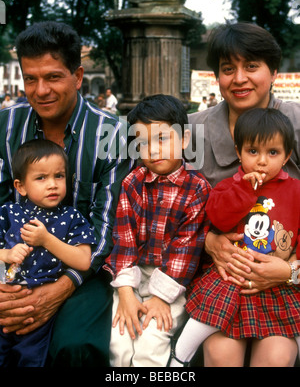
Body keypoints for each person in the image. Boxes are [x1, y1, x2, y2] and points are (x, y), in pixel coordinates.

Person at [0, 21, 132, 367]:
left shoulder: (112, 135)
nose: (40, 90)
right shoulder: (6, 126)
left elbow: (105, 234)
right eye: (31, 78)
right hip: (12, 263)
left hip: (84, 271)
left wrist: (60, 288)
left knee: (75, 347)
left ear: (78, 76)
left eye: (53, 77)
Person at [186, 21, 300, 366]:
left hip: (285, 279)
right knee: (220, 356)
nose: (239, 79)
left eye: (251, 66)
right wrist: (208, 241)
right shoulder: (190, 131)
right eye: (227, 69)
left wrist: (291, 271)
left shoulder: (296, 122)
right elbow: (162, 207)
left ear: (274, 71)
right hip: (220, 278)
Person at [170, 108, 300, 367]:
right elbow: (219, 218)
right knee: (210, 327)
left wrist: (291, 268)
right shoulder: (229, 186)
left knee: (278, 356)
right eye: (253, 151)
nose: (262, 161)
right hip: (230, 279)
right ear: (239, 151)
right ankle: (179, 357)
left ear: (286, 156)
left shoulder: (296, 191)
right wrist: (244, 189)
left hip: (278, 285)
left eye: (272, 152)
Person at [103, 94, 211, 367]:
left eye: (162, 139)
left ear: (184, 139)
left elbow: (187, 250)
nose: (153, 150)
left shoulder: (197, 188)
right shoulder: (132, 182)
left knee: (151, 341)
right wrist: (126, 292)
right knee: (118, 338)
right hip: (135, 273)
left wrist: (161, 298)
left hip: (175, 281)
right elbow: (123, 241)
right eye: (143, 143)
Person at [0, 139, 97, 367]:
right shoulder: (9, 212)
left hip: (40, 312)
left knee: (31, 359)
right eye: (41, 178)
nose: (52, 184)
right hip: (5, 298)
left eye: (59, 176)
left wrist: (47, 240)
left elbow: (83, 261)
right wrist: (5, 254)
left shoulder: (72, 218)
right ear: (20, 186)